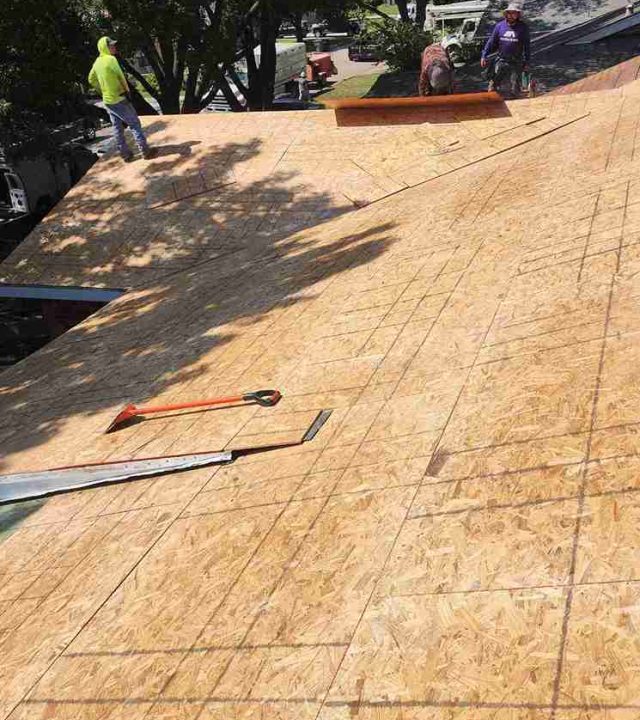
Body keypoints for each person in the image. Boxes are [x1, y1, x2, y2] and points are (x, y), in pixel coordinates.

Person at [88, 37, 157, 162]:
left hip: (108, 101)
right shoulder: (111, 59)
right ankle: (145, 151)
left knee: (117, 127)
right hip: (120, 98)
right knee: (134, 124)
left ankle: (125, 154)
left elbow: (91, 79)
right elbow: (121, 77)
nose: (114, 47)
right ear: (105, 47)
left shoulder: (97, 62)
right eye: (112, 46)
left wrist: (101, 89)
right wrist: (127, 93)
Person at [481, 3, 531, 98]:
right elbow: (491, 42)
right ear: (506, 14)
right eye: (509, 13)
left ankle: (516, 104)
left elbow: (527, 46)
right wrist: (484, 55)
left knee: (515, 87)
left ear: (518, 15)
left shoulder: (523, 28)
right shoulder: (499, 26)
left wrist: (527, 62)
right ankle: (492, 104)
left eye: (514, 13)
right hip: (501, 60)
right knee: (493, 85)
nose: (511, 15)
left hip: (516, 61)